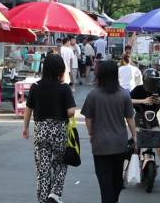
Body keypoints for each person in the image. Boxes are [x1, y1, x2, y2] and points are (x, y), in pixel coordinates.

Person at [22, 54, 76, 203]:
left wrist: (25, 127)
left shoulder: (36, 86)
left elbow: (28, 108)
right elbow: (71, 111)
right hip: (59, 131)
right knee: (61, 162)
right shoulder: (64, 88)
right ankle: (55, 193)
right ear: (60, 70)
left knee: (43, 168)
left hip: (41, 131)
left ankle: (43, 199)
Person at [82, 61, 137, 203]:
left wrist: (91, 134)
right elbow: (130, 118)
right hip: (119, 143)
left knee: (104, 180)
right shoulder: (124, 94)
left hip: (100, 144)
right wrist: (135, 136)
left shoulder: (93, 95)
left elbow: (88, 119)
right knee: (117, 179)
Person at [130, 68, 160, 190]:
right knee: (134, 148)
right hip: (139, 121)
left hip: (153, 122)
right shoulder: (138, 89)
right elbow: (127, 100)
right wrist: (143, 101)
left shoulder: (159, 91)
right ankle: (122, 177)